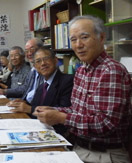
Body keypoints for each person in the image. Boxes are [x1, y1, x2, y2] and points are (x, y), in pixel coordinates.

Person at [33, 15, 131, 163]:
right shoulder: (81, 71)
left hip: (105, 155)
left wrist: (61, 117)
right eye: (73, 40)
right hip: (79, 148)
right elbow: (77, 110)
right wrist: (54, 110)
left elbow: (105, 124)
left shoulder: (111, 70)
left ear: (102, 38)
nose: (78, 45)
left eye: (84, 37)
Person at [8, 47, 73, 135]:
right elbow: (35, 106)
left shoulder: (67, 81)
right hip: (37, 130)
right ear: (35, 67)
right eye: (38, 61)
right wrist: (23, 103)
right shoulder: (41, 86)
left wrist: (29, 108)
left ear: (55, 60)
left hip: (56, 134)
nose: (43, 64)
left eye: (46, 59)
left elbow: (62, 111)